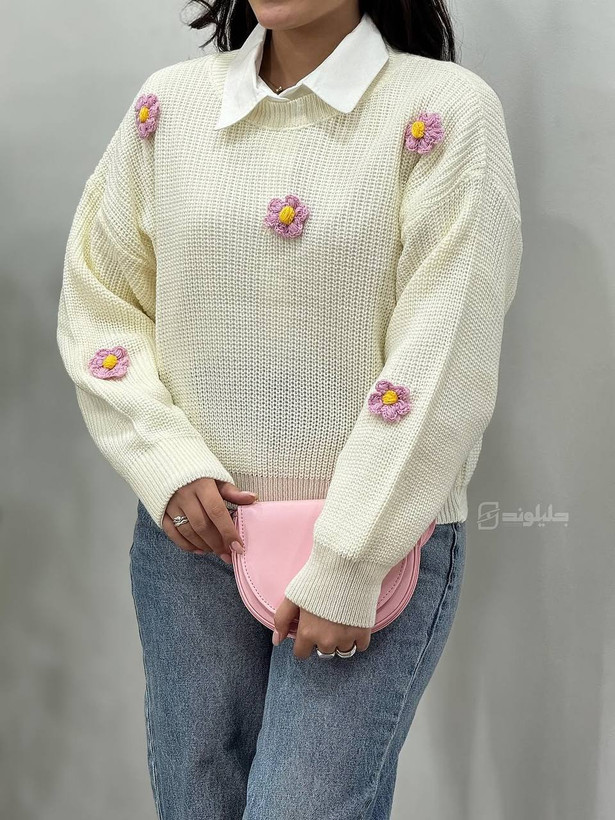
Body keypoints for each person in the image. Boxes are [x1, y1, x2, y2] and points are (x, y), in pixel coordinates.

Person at [56, 1, 522, 817]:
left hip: (378, 539)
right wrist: (165, 463)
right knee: (195, 803)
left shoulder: (443, 110)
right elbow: (101, 302)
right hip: (190, 541)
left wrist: (350, 559)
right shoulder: (170, 106)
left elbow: (445, 350)